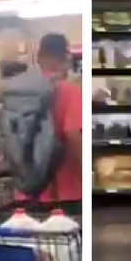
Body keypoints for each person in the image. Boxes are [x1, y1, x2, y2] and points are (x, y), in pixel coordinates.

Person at [23, 32, 82, 210]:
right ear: (65, 58)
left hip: (28, 193)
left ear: (39, 58)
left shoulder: (23, 93)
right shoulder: (71, 92)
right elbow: (72, 134)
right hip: (64, 194)